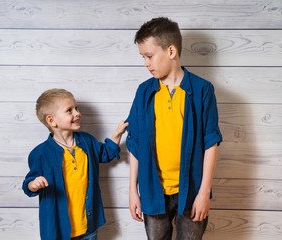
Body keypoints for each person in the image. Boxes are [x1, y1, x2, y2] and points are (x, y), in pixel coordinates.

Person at [125, 17, 222, 239]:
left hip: (192, 191)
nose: (146, 63)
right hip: (153, 192)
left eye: (149, 56)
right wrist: (133, 191)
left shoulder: (202, 90)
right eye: (143, 57)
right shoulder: (144, 92)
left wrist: (204, 192)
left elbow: (211, 143)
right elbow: (136, 143)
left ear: (171, 51)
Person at [22, 89, 128, 240]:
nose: (77, 113)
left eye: (76, 108)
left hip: (88, 227)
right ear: (52, 120)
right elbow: (29, 184)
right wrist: (34, 184)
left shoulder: (87, 141)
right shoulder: (40, 153)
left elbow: (106, 153)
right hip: (58, 230)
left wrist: (118, 133)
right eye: (69, 110)